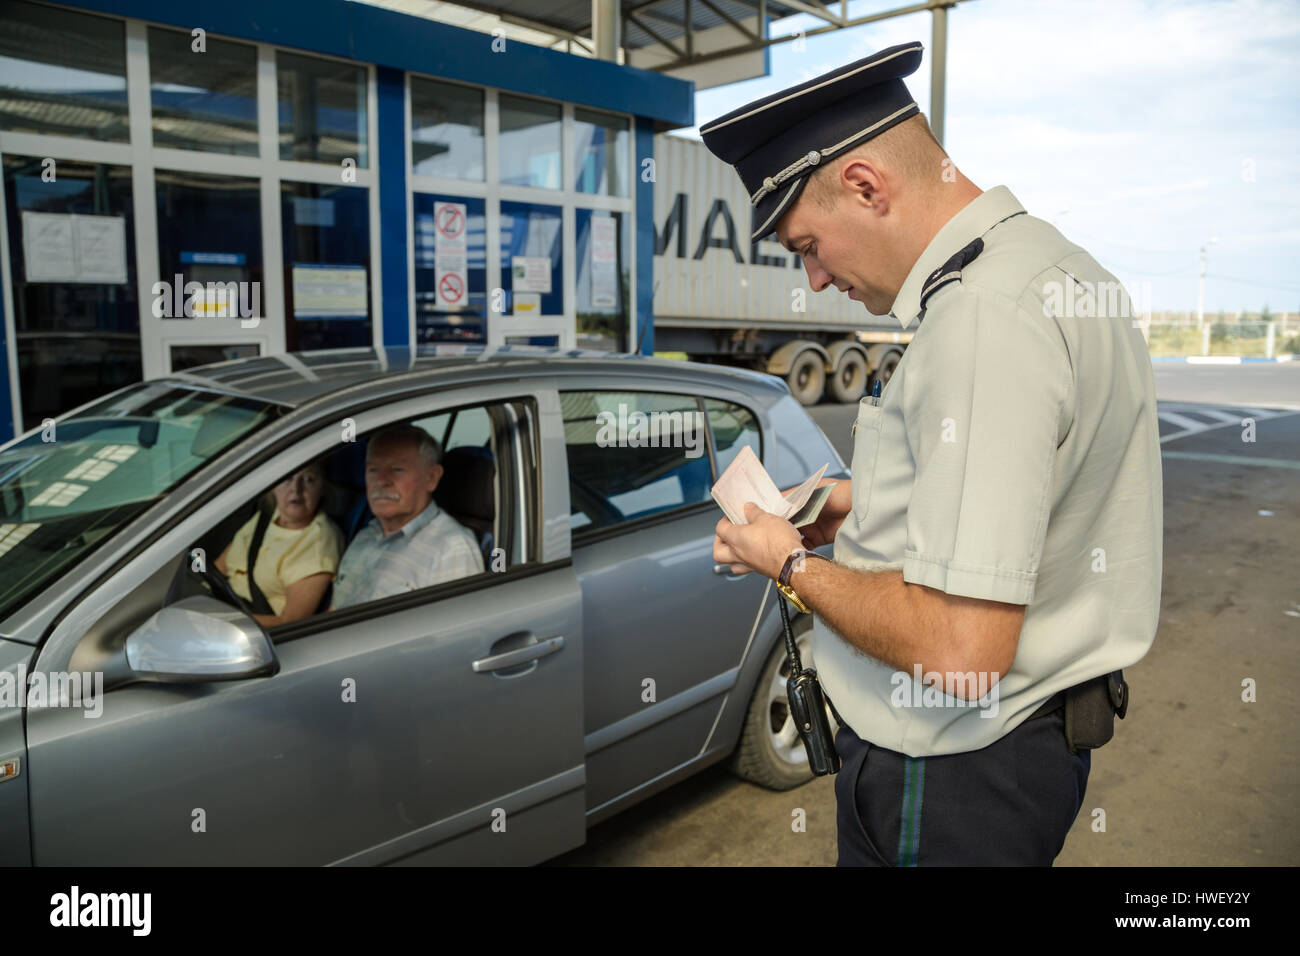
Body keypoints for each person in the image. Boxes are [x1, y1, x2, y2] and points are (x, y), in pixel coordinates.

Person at [706, 43, 1162, 866]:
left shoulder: (982, 321)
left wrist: (788, 564)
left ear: (867, 186)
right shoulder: (1054, 270)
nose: (813, 280)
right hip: (1018, 756)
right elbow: (1036, 496)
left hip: (948, 773)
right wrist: (854, 505)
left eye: (808, 245)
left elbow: (958, 651)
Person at [330, 423, 484, 609]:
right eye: (373, 469)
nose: (381, 481)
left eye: (397, 469)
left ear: (432, 478)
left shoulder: (452, 548)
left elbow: (457, 634)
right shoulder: (366, 535)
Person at [215, 459, 344, 628]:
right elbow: (217, 569)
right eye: (287, 478)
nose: (295, 490)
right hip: (218, 604)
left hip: (245, 629)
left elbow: (290, 623)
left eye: (309, 479)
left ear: (323, 489)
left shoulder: (318, 543)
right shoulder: (268, 515)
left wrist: (221, 622)